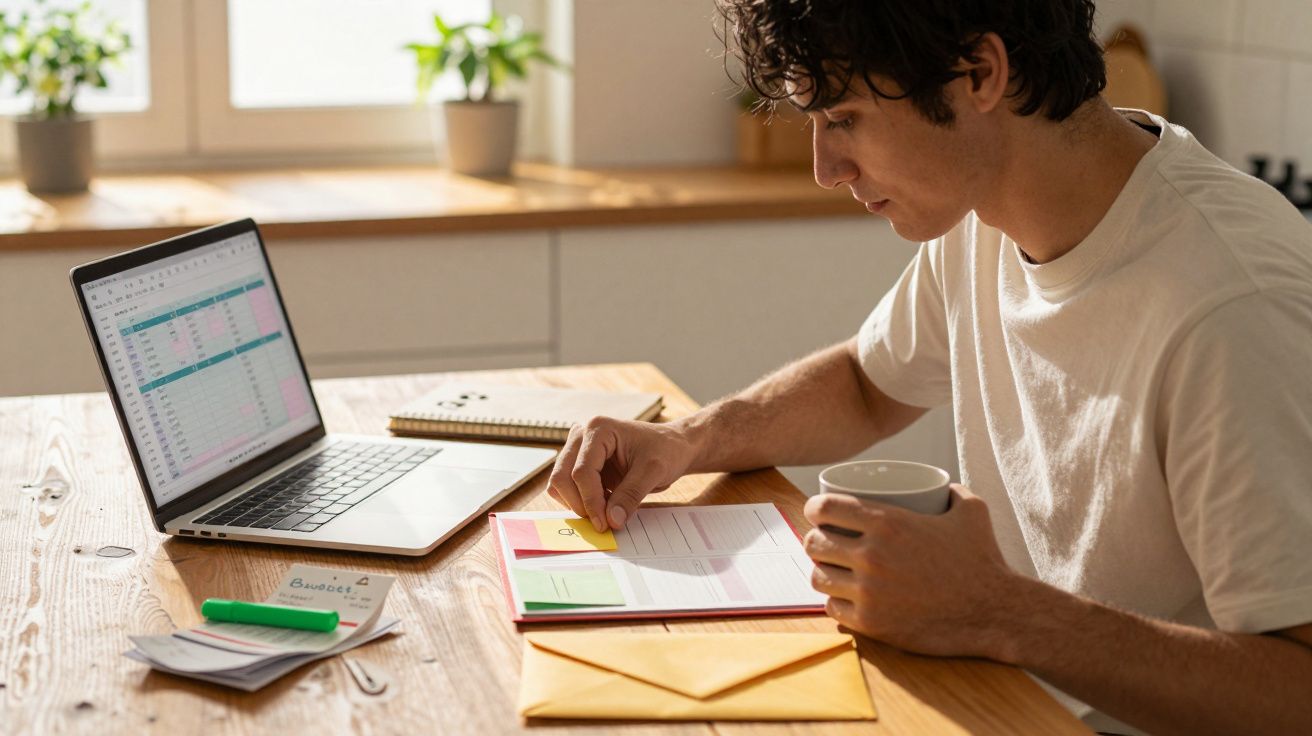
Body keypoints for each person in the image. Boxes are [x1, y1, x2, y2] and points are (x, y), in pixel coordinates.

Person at [547, 1, 1312, 733]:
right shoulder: (982, 208)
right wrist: (687, 440)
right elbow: (866, 385)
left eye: (842, 118)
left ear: (978, 73)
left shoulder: (1231, 306)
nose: (824, 166)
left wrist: (996, 611)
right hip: (1007, 697)